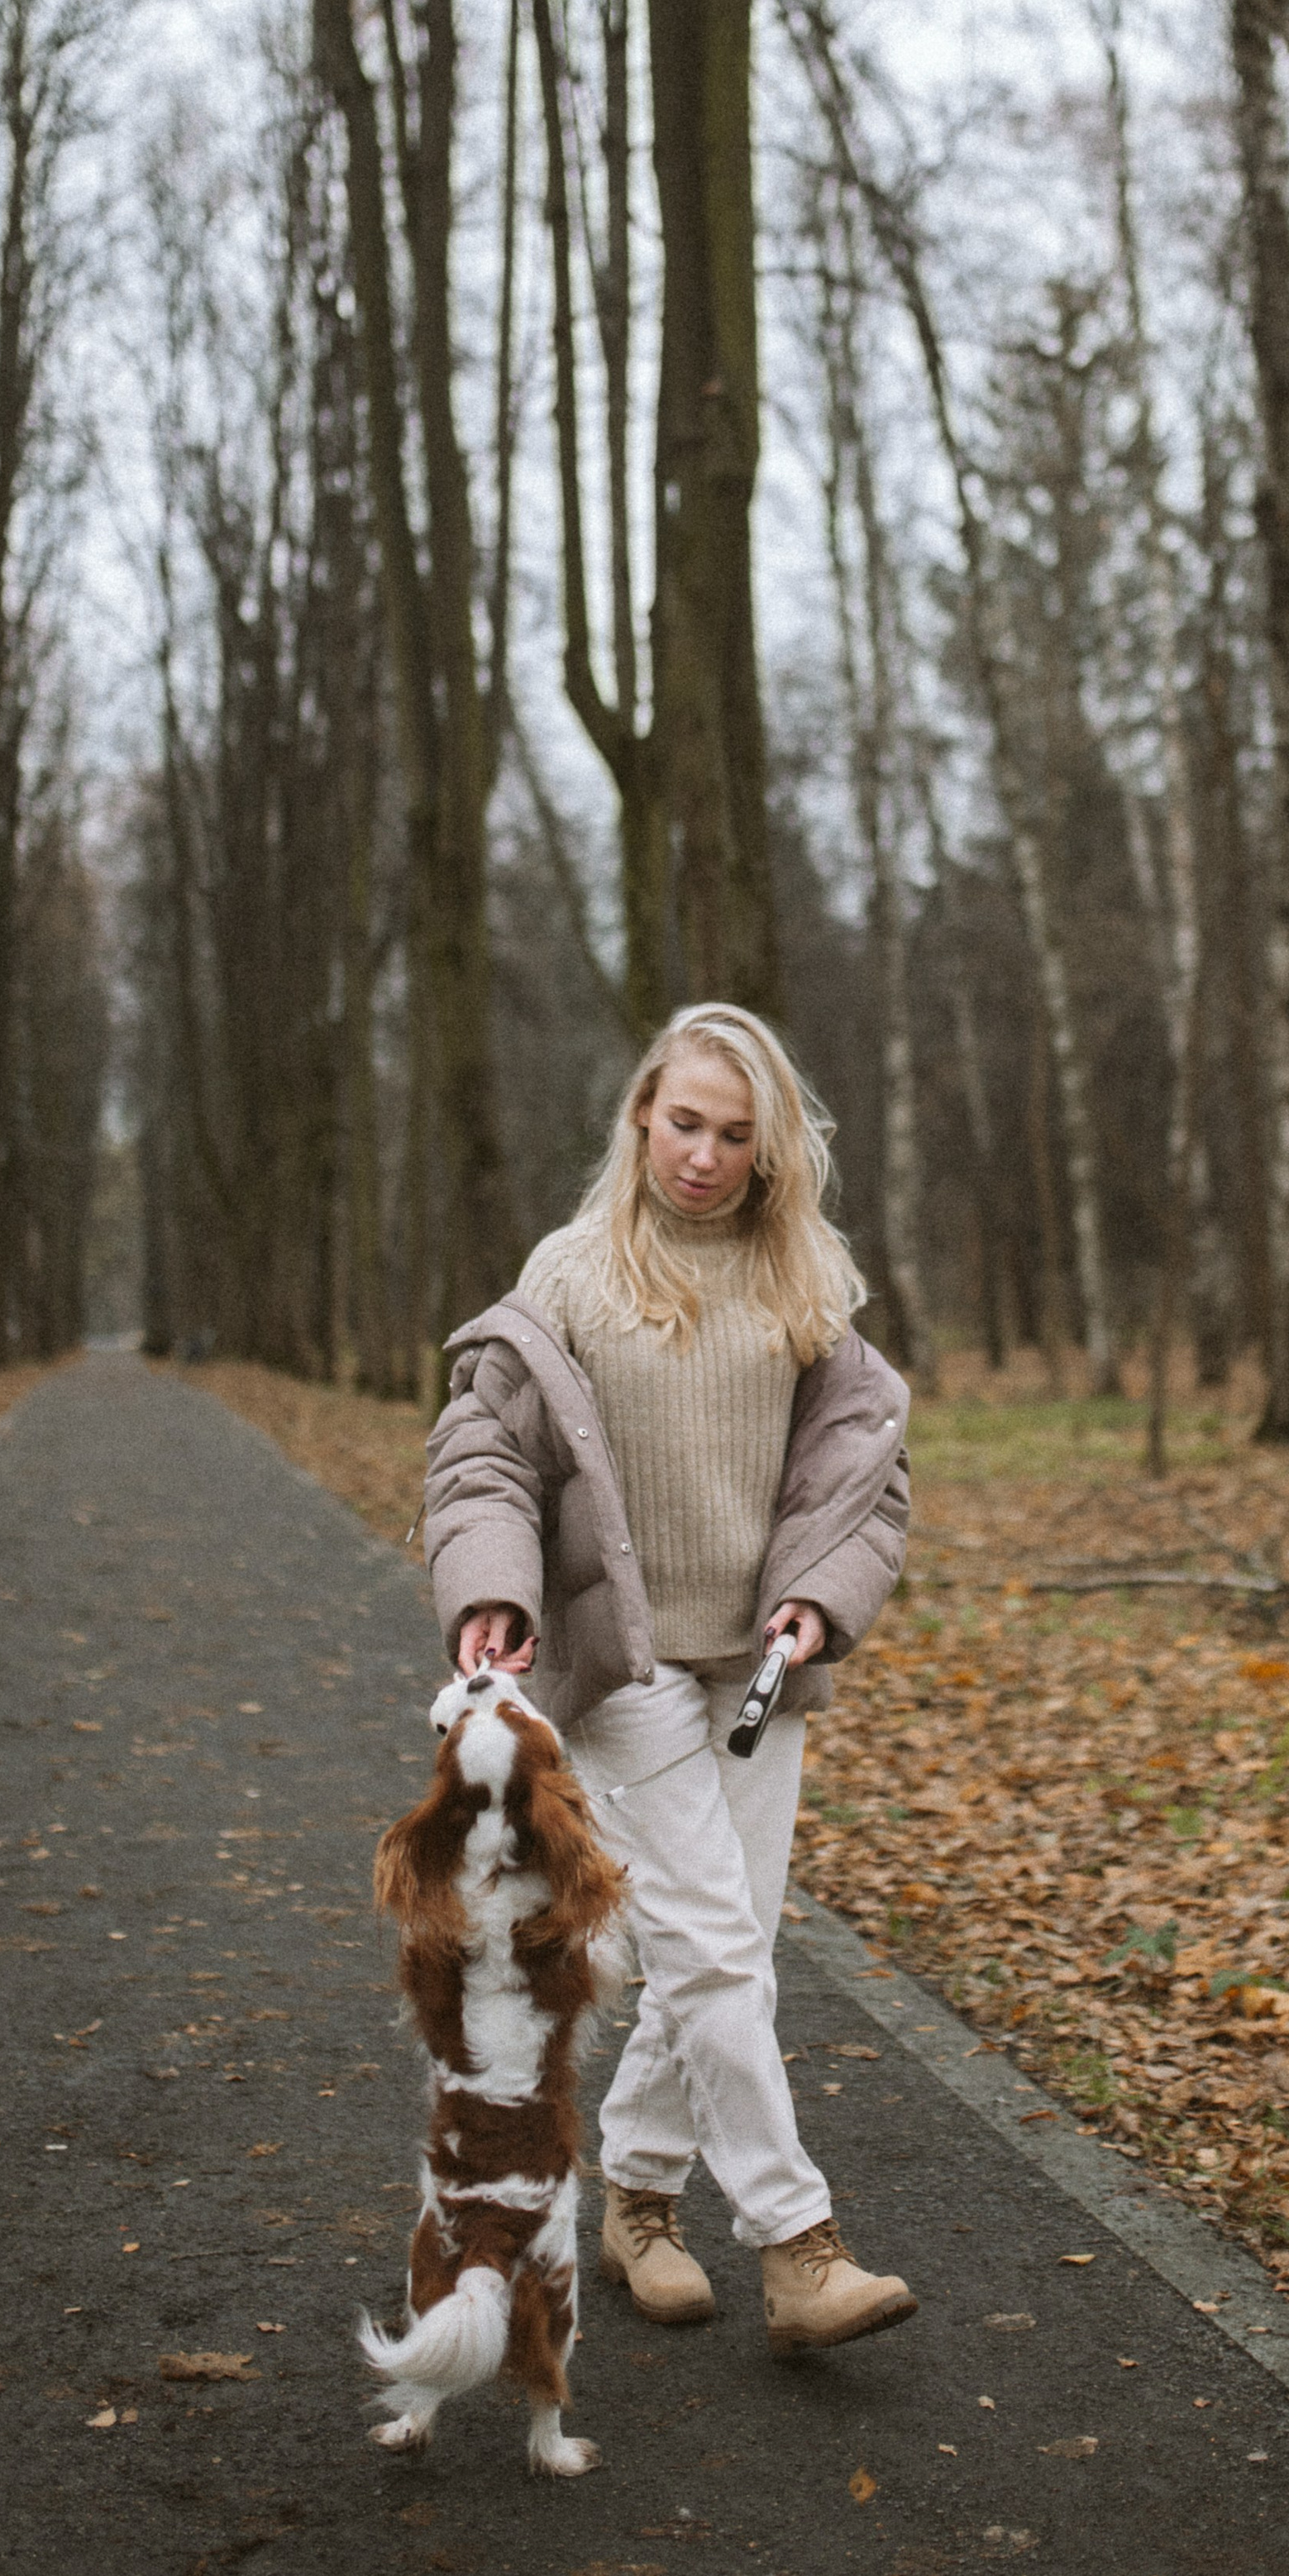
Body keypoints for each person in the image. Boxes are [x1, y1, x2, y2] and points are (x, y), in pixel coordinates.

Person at [423, 1003, 917, 2359]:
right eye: (683, 1122)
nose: (702, 1155)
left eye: (733, 1134)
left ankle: (638, 2199)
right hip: (621, 1666)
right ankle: (799, 2245)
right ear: (641, 1113)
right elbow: (483, 1456)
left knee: (722, 1948)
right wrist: (493, 1594)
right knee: (709, 1943)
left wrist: (820, 1599)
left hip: (754, 1670)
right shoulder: (573, 1276)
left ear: (769, 1152)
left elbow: (866, 1483)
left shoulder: (809, 1281)